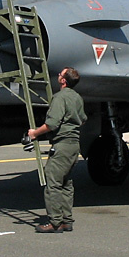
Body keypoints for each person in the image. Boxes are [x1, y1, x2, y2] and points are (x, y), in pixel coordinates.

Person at [27, 67, 86, 233]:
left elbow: (52, 124)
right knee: (66, 183)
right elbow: (82, 120)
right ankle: (67, 221)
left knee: (53, 183)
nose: (58, 75)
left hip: (62, 146)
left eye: (61, 74)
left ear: (63, 81)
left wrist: (34, 133)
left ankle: (55, 222)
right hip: (74, 145)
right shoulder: (77, 98)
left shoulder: (60, 98)